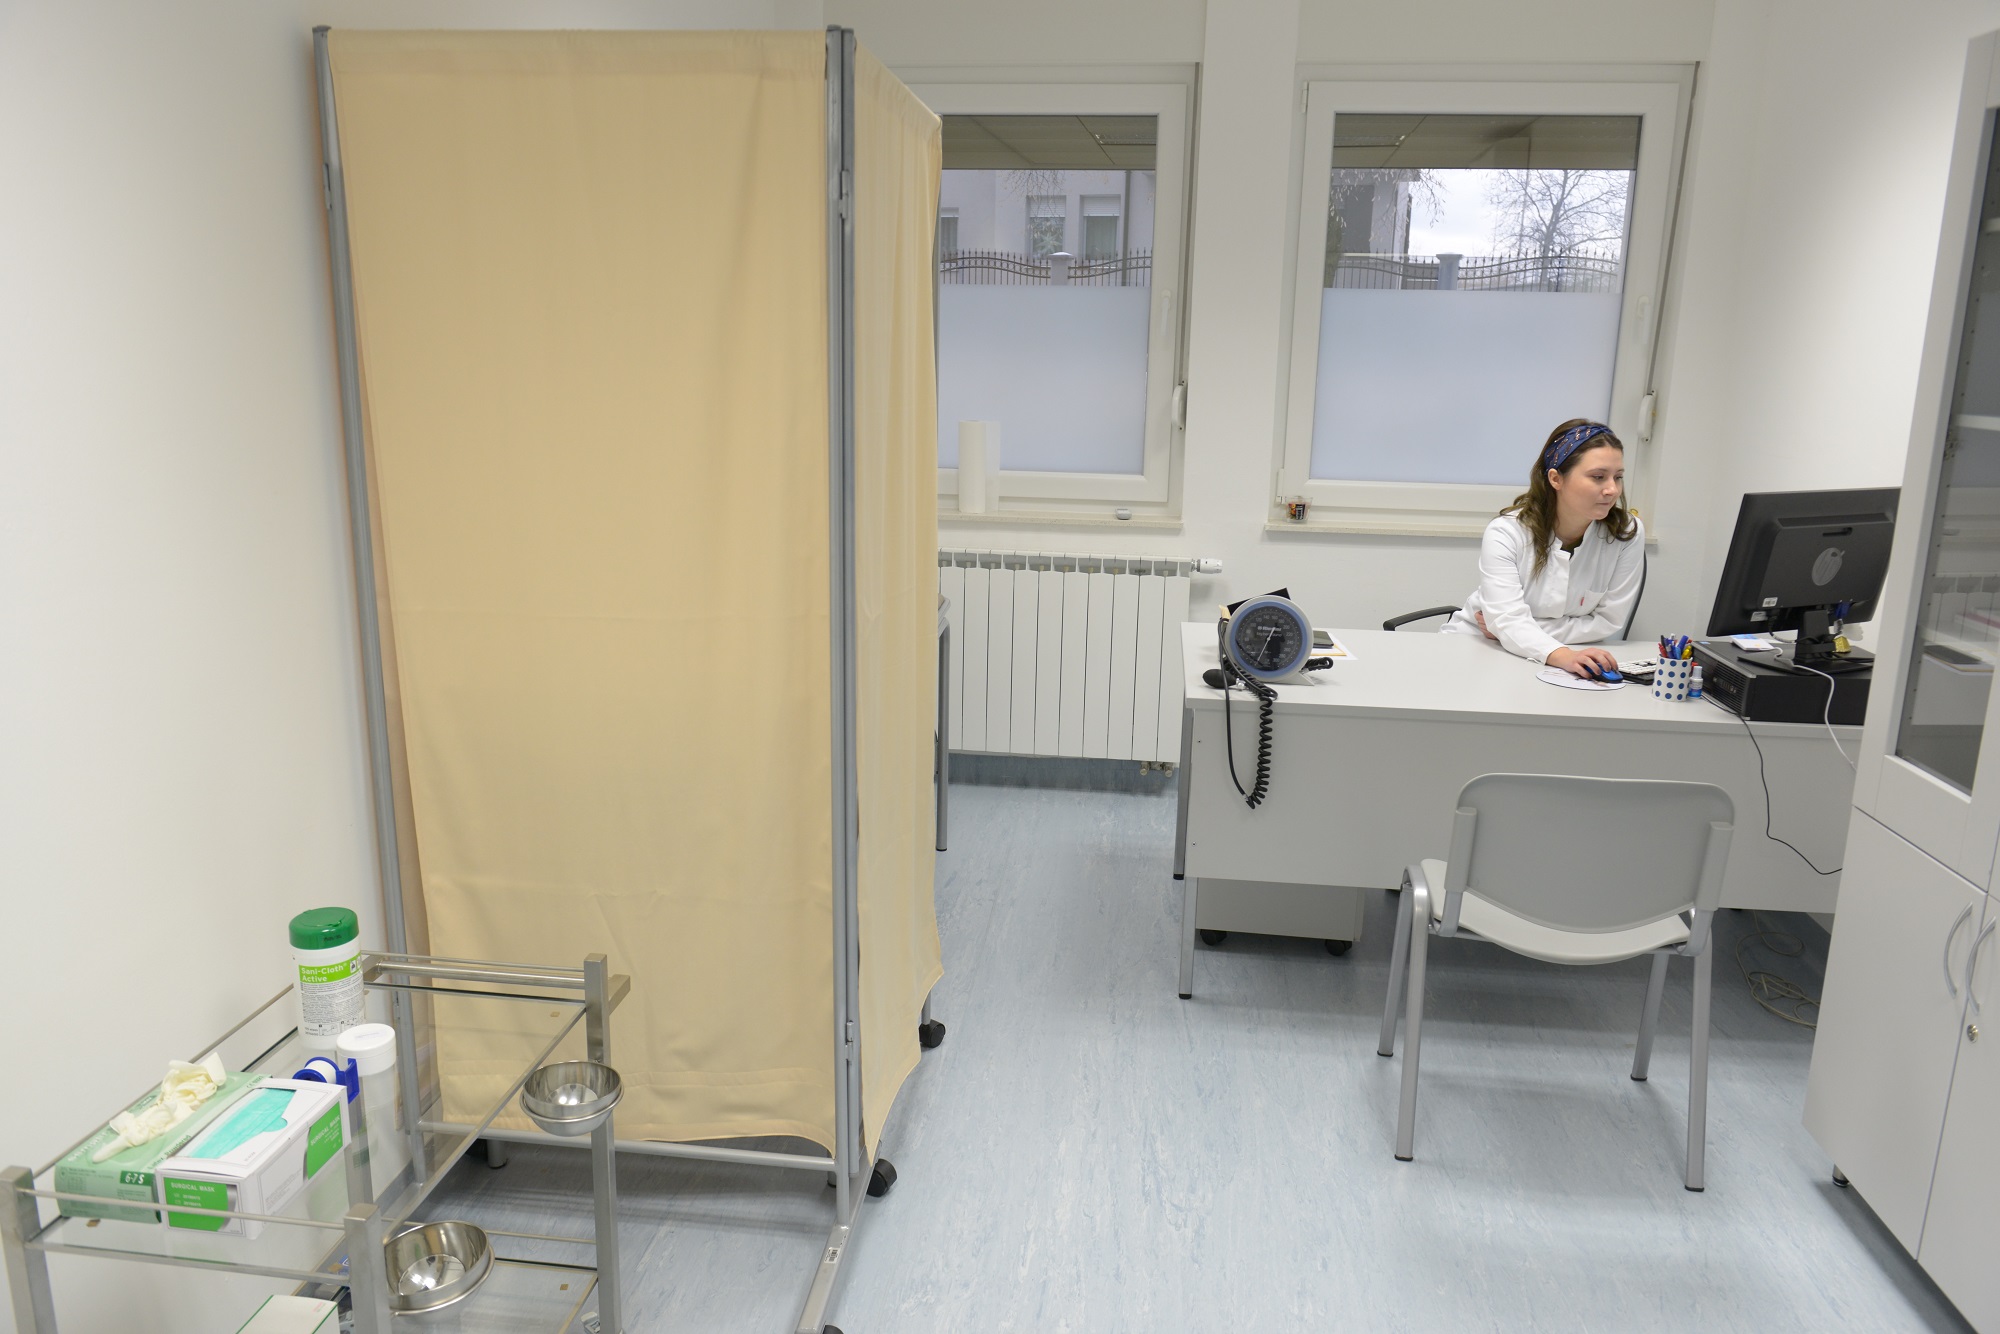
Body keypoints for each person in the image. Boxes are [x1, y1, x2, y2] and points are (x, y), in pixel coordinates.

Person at [1442, 418, 1645, 678]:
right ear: (1556, 478)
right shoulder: (1507, 532)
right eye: (1598, 477)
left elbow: (1608, 622)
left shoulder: (1626, 533)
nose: (1612, 489)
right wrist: (1557, 652)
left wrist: (1512, 629)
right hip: (1477, 644)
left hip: (1559, 654)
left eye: (1618, 477)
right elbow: (1507, 620)